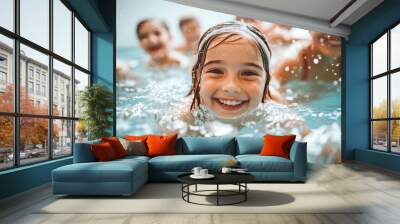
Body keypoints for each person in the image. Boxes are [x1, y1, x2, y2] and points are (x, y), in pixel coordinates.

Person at [159, 21, 309, 137]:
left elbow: (307, 138)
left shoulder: (273, 101)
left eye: (248, 73)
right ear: (198, 77)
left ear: (266, 81)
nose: (231, 86)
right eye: (216, 71)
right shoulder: (186, 114)